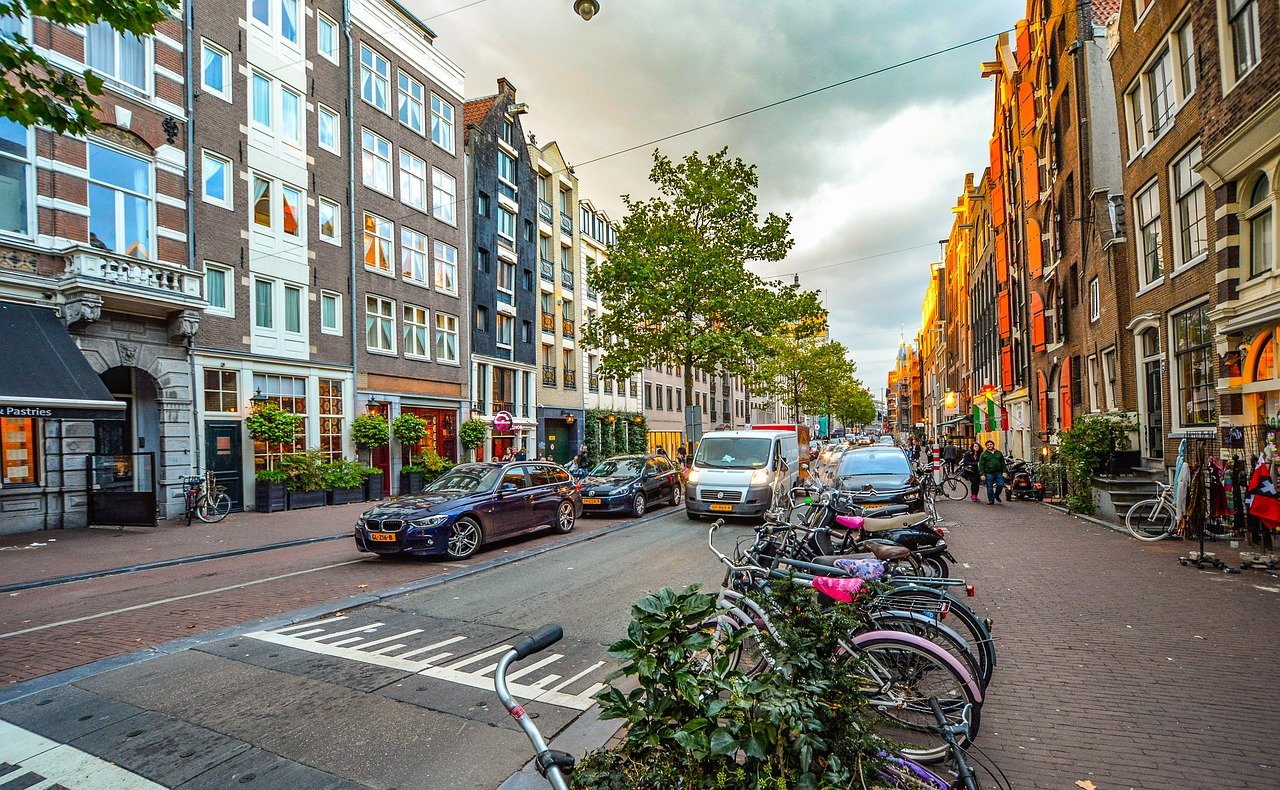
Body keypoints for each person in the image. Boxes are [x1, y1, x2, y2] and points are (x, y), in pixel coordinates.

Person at [978, 440, 1008, 505]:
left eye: (990, 444)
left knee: (1001, 484)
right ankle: (991, 500)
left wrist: (1004, 471)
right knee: (989, 487)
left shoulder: (999, 453)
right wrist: (982, 474)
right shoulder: (984, 454)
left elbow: (1003, 463)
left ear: (993, 445)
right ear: (986, 446)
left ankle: (996, 495)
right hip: (988, 473)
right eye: (988, 445)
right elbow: (981, 465)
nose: (989, 446)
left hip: (998, 472)